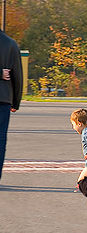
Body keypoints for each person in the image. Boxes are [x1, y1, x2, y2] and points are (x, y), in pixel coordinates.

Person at [0, 30, 23, 180]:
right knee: (0, 141)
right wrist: (16, 101)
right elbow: (18, 75)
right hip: (4, 98)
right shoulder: (10, 44)